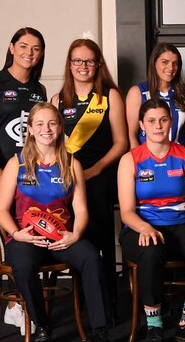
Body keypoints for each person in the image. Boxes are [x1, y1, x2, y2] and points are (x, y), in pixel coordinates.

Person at [0, 103, 120, 342]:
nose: (46, 129)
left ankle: (99, 330)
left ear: (61, 127)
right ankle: (42, 325)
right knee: (23, 266)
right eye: (39, 124)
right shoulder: (16, 164)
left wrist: (74, 235)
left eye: (52, 123)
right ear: (29, 129)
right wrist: (16, 233)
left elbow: (81, 210)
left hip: (63, 236)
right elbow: (1, 209)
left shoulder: (72, 164)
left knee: (91, 258)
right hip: (27, 238)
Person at [118, 99, 185, 342]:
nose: (158, 125)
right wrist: (144, 228)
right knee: (151, 251)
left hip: (180, 226)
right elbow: (126, 212)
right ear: (142, 125)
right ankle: (154, 326)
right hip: (141, 227)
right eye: (151, 121)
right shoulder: (130, 160)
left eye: (163, 120)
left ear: (171, 122)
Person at [0, 27, 47, 333]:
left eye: (35, 49)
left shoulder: (39, 91)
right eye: (23, 46)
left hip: (29, 177)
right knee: (13, 237)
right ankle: (17, 306)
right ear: (11, 47)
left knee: (31, 239)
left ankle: (19, 304)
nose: (28, 53)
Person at [51, 39, 128, 323]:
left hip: (101, 174)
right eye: (77, 61)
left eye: (89, 61)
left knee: (98, 232)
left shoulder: (110, 96)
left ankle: (105, 301)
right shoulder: (58, 100)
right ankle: (81, 294)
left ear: (98, 65)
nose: (83, 67)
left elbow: (122, 143)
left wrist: (96, 169)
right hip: (70, 175)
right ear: (69, 65)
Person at [125, 43, 185, 148]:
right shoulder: (137, 92)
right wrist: (137, 160)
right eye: (165, 62)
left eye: (175, 63)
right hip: (147, 159)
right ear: (154, 63)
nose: (171, 68)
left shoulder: (183, 93)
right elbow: (131, 134)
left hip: (178, 157)